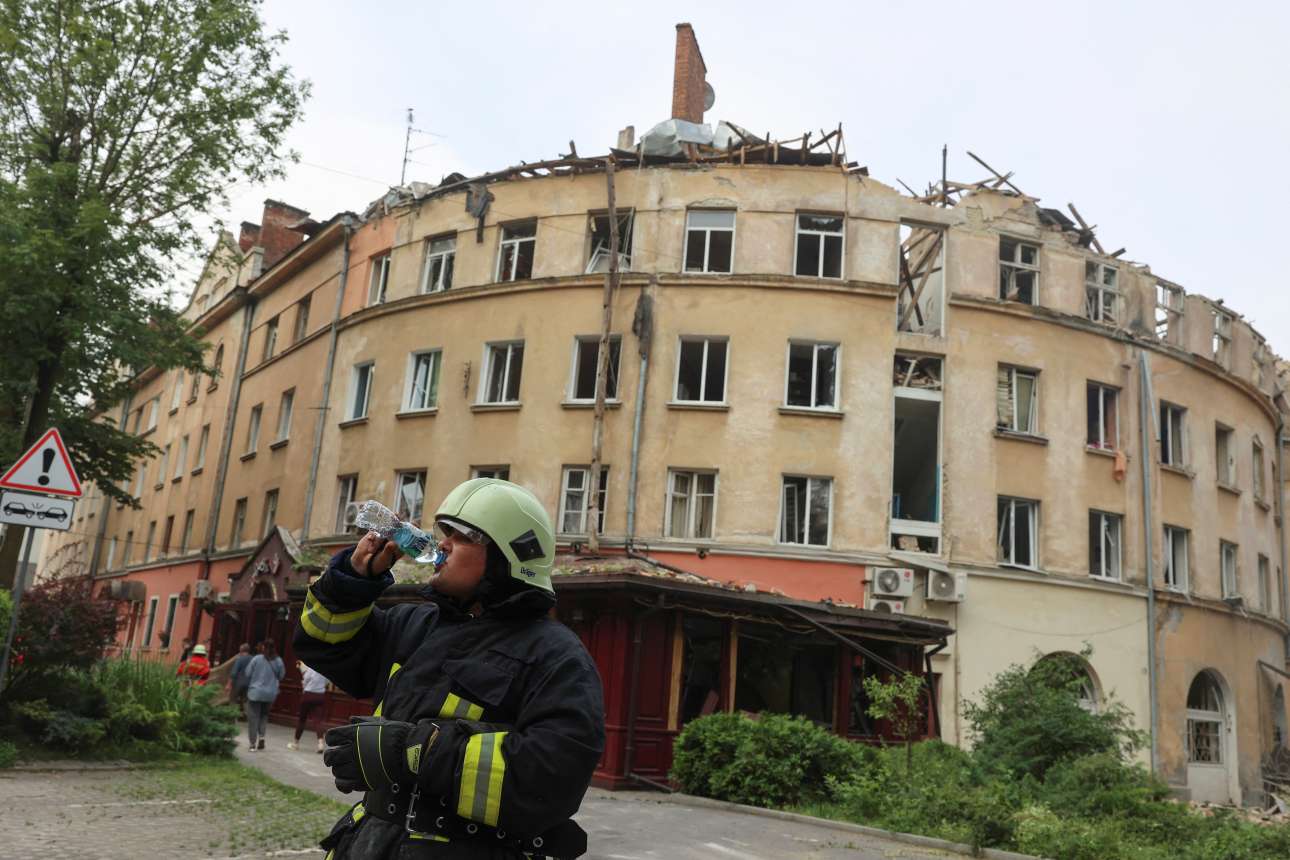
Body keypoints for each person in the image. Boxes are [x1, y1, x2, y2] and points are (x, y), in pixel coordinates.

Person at [294, 478, 605, 859]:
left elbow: (554, 776)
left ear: (509, 555)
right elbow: (323, 644)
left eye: (461, 536)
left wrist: (412, 752)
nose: (441, 544)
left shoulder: (555, 655)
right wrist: (354, 582)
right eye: (444, 533)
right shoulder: (414, 625)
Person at [244, 639, 285, 751]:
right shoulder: (279, 661)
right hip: (270, 694)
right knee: (264, 716)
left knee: (253, 718)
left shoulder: (257, 659)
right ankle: (262, 737)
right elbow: (281, 676)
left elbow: (247, 673)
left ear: (263, 647)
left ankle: (252, 745)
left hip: (255, 693)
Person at [288, 661, 330, 753]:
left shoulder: (312, 667)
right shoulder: (326, 668)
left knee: (302, 719)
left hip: (308, 694)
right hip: (320, 695)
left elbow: (306, 679)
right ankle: (320, 744)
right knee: (318, 720)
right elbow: (327, 681)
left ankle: (295, 743)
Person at [227, 643, 254, 719]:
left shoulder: (239, 659)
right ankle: (245, 715)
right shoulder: (253, 659)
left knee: (233, 699)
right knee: (245, 700)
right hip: (249, 683)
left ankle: (232, 716)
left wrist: (229, 684)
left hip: (238, 683)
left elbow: (234, 672)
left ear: (241, 650)